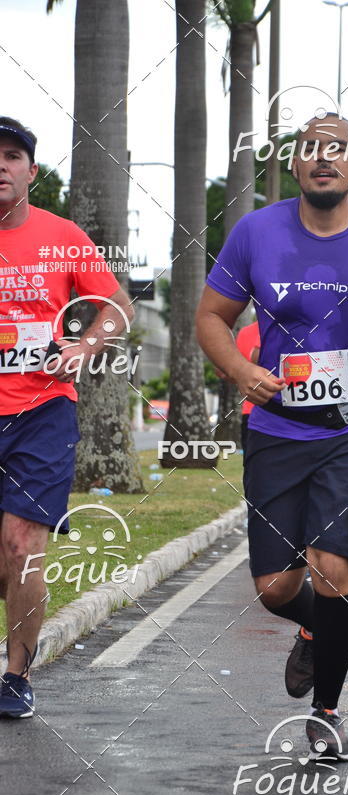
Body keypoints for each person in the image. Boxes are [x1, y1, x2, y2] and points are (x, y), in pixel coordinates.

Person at [196, 113, 348, 759]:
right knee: (277, 587)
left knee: (334, 569)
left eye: (338, 150)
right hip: (280, 427)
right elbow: (212, 318)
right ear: (296, 165)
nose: (324, 158)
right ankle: (315, 631)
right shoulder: (255, 232)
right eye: (311, 149)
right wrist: (241, 369)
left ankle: (327, 712)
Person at [0, 117, 133, 718]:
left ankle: (16, 675)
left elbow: (115, 307)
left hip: (43, 410)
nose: (1, 166)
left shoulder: (64, 238)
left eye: (11, 156)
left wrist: (84, 346)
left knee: (22, 542)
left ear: (31, 171)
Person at [235, 319, 260, 453]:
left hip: (250, 412)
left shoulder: (245, 332)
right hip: (262, 413)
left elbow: (227, 372)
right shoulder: (285, 327)